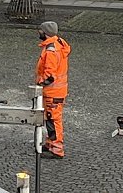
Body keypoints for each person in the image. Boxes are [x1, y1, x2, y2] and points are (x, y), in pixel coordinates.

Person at [35, 21, 71, 159]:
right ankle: (51, 143)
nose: (39, 32)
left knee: (53, 119)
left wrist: (40, 83)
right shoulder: (59, 43)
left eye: (40, 30)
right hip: (58, 90)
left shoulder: (51, 50)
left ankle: (56, 149)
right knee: (52, 119)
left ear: (45, 33)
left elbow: (50, 75)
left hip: (52, 91)